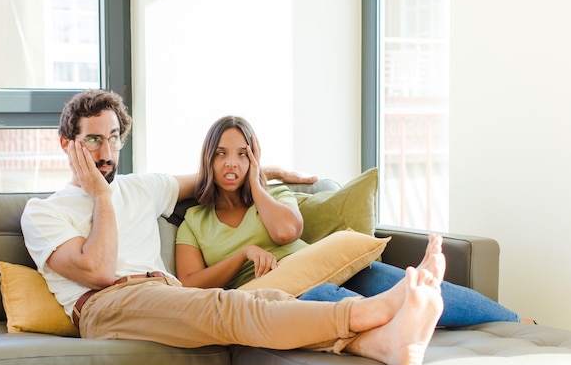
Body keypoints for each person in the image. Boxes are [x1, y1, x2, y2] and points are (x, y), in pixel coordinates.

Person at [20, 88, 446, 365]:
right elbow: (97, 271)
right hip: (105, 304)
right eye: (93, 140)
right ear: (67, 144)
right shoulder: (44, 212)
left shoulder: (144, 186)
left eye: (114, 138)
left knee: (267, 298)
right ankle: (374, 310)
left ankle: (380, 345)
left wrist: (267, 172)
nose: (107, 152)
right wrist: (100, 196)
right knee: (224, 307)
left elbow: (213, 174)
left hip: (166, 293)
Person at [175, 115, 525, 328]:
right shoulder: (195, 219)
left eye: (242, 154)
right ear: (209, 158)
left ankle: (516, 322)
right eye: (221, 154)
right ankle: (397, 318)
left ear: (255, 158)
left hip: (322, 264)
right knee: (327, 298)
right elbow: (189, 285)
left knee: (404, 280)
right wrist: (243, 255)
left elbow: (287, 232)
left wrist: (256, 183)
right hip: (280, 293)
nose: (231, 164)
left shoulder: (276, 194)